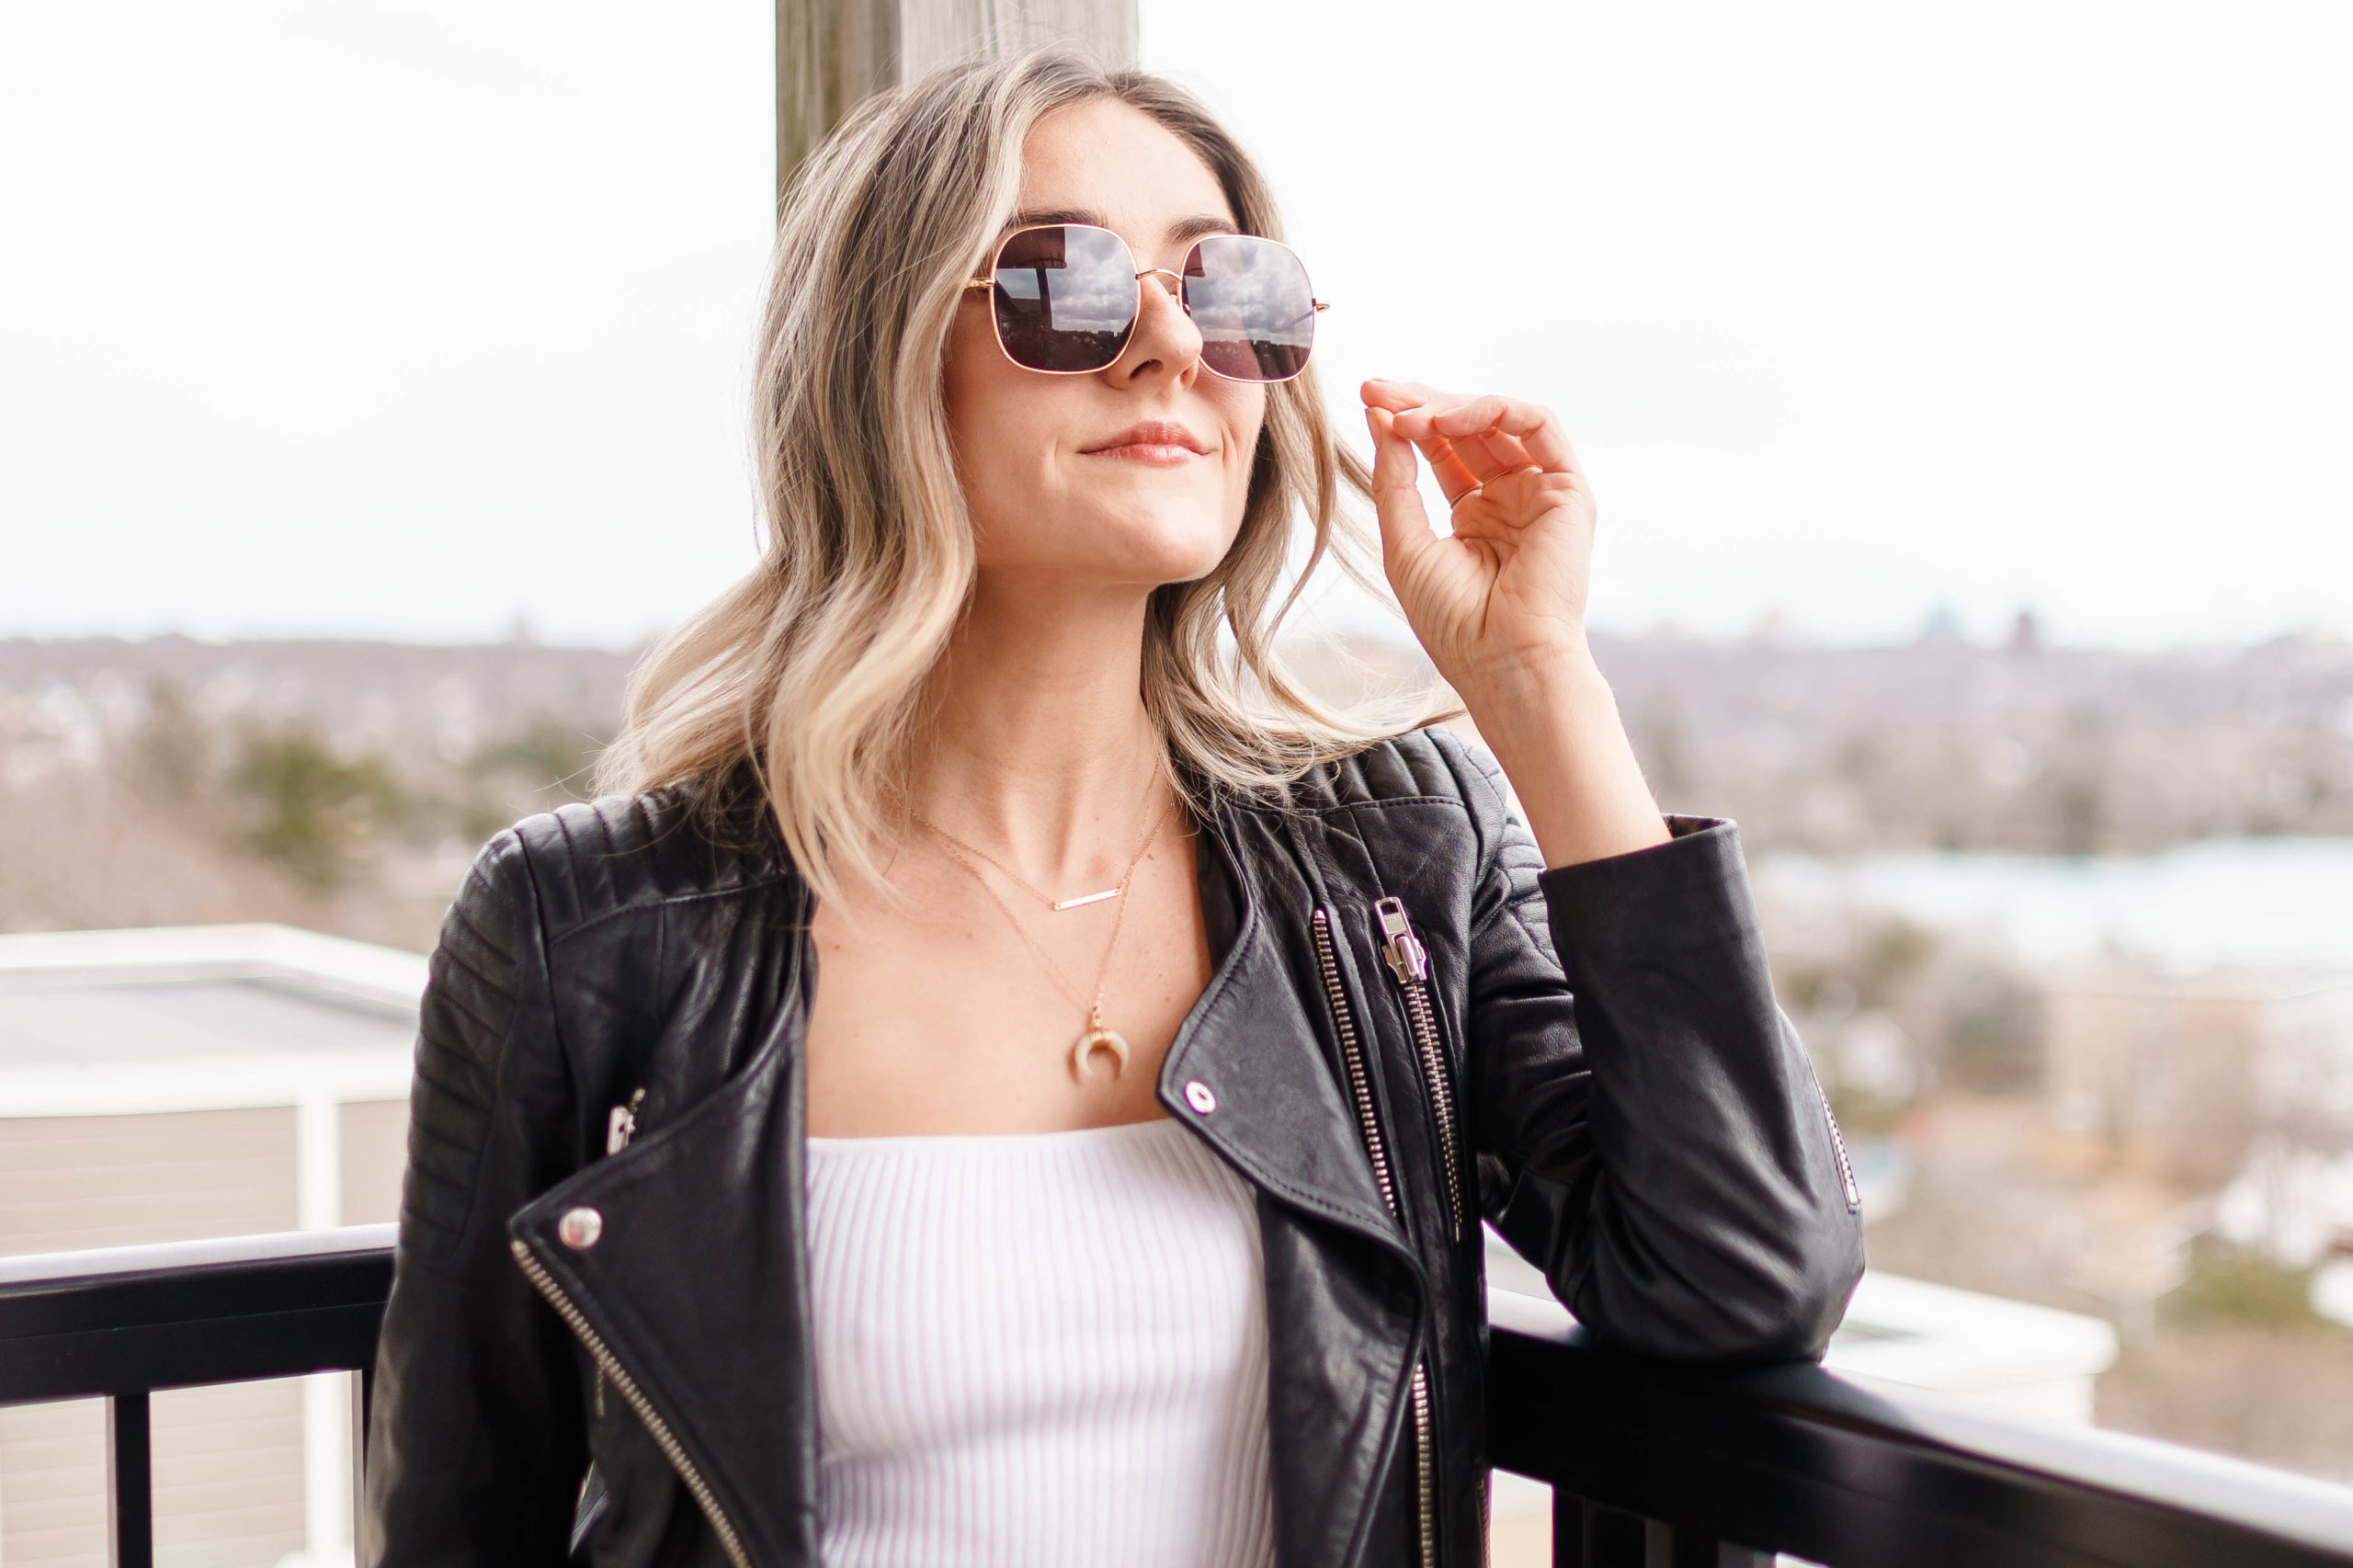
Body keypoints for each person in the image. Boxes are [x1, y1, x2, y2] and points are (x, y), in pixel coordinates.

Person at [362, 48, 1864, 1568]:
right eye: (1063, 283)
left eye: (1232, 292)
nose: (1169, 345)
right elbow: (457, 1526)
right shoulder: (592, 932)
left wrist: (1536, 678)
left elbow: (1745, 1272)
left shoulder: (1396, 861)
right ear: (882, 354)